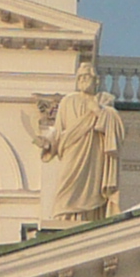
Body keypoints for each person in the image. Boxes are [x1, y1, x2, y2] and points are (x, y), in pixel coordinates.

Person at [39, 57, 122, 225]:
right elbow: (57, 129)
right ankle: (64, 217)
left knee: (91, 188)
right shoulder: (68, 101)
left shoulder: (103, 101)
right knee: (66, 189)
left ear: (95, 80)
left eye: (87, 77)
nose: (84, 80)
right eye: (81, 77)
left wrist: (98, 111)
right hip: (72, 151)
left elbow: (115, 126)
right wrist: (47, 142)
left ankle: (89, 217)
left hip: (93, 154)